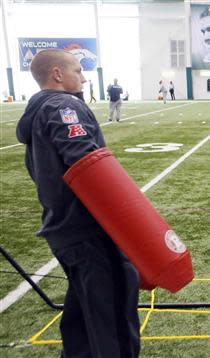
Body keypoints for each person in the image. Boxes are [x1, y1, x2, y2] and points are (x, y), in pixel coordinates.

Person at [16, 49, 140, 357]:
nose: (83, 78)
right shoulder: (61, 105)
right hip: (87, 229)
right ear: (57, 74)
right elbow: (88, 165)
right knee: (112, 318)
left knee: (82, 318)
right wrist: (131, 223)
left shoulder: (40, 109)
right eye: (77, 70)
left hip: (65, 229)